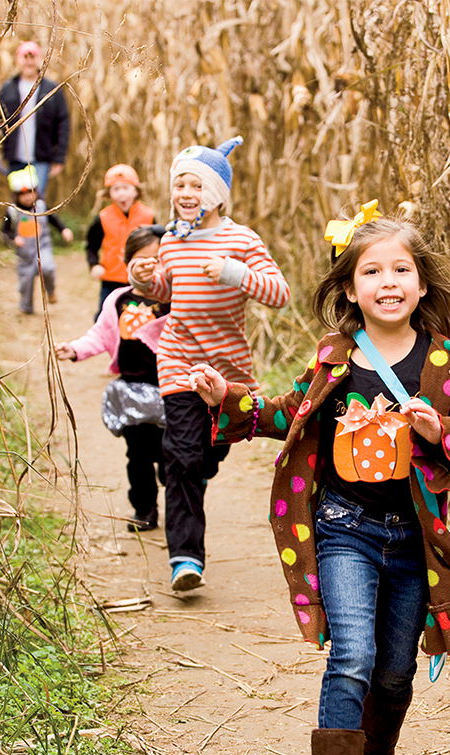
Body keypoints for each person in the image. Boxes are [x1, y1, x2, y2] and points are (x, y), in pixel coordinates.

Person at [183, 204, 450, 755]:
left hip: (411, 538)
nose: (387, 283)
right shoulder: (336, 355)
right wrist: (229, 399)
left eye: (400, 270)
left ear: (421, 284)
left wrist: (437, 427)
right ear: (349, 287)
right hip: (344, 528)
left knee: (394, 670)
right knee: (353, 656)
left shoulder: (447, 363)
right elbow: (292, 411)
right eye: (371, 272)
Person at [128, 136, 289, 593]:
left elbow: (279, 294)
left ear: (215, 193)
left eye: (195, 184)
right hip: (179, 362)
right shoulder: (172, 240)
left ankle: (193, 467)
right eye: (178, 183)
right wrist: (145, 280)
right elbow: (166, 290)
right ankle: (185, 558)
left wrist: (233, 272)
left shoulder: (241, 240)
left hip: (229, 373)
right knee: (181, 456)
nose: (184, 193)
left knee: (203, 456)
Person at [55, 226, 168, 531]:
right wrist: (75, 348)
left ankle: (176, 500)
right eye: (143, 260)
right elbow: (101, 335)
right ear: (128, 262)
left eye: (159, 259)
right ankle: (144, 511)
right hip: (131, 392)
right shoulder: (119, 299)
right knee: (138, 455)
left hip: (170, 391)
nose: (151, 266)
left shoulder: (177, 299)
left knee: (170, 456)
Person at [0, 40, 70, 197]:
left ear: (39, 60)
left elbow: (63, 123)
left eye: (33, 57)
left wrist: (59, 157)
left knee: (35, 200)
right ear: (18, 60)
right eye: (25, 57)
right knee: (19, 201)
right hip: (15, 158)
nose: (29, 61)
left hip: (41, 157)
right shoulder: (8, 89)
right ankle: (23, 223)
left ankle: (39, 222)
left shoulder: (52, 90)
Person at [85, 164, 155, 318]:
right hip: (111, 279)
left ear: (136, 191)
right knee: (105, 316)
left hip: (141, 277)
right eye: (115, 189)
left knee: (142, 316)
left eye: (125, 188)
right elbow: (91, 245)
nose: (121, 193)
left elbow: (159, 245)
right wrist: (94, 264)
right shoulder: (102, 218)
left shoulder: (148, 216)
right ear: (108, 193)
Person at [1, 166, 72, 315]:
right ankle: (26, 307)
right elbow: (4, 232)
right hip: (24, 254)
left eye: (30, 193)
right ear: (16, 196)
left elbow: (54, 220)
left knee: (47, 268)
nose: (28, 197)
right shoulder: (13, 211)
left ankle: (51, 290)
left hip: (43, 247)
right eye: (23, 194)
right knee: (25, 280)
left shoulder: (41, 206)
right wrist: (14, 239)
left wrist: (64, 230)